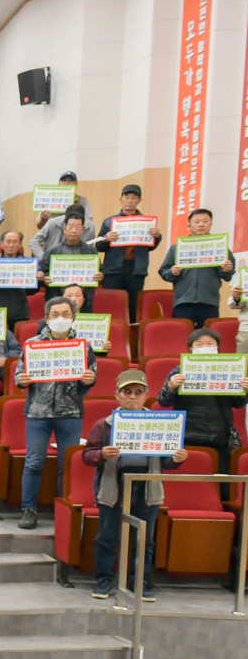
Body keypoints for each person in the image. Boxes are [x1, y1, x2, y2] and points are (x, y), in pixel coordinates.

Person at [84, 371, 186, 601]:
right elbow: (87, 455)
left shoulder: (161, 424)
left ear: (146, 395)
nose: (132, 396)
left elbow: (167, 461)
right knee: (107, 537)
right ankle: (104, 581)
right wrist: (101, 454)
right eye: (127, 391)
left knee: (144, 540)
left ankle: (140, 583)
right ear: (117, 395)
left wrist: (177, 459)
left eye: (138, 392)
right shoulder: (104, 425)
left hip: (147, 488)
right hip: (113, 487)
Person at [14, 296, 98, 528]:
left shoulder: (83, 346)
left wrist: (89, 380)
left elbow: (89, 379)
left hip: (70, 413)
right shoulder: (32, 344)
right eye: (55, 314)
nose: (60, 318)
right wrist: (22, 380)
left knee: (67, 464)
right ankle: (28, 510)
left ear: (74, 317)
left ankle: (64, 510)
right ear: (46, 318)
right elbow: (18, 375)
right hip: (38, 413)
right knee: (34, 462)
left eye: (65, 314)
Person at [156, 327, 247, 481]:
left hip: (220, 436)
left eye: (210, 344)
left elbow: (237, 403)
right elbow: (163, 402)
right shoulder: (179, 371)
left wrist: (244, 391)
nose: (205, 347)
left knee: (220, 482)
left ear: (217, 348)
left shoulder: (229, 371)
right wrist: (171, 387)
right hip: (187, 436)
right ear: (190, 349)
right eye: (199, 344)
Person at [159, 207, 236, 329]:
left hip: (209, 302)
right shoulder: (177, 248)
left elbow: (228, 276)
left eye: (205, 221)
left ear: (211, 224)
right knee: (181, 335)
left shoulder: (220, 247)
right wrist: (172, 272)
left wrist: (226, 270)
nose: (201, 225)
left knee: (208, 336)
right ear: (189, 225)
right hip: (183, 302)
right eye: (197, 222)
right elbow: (163, 271)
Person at [96, 184, 162, 323]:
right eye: (127, 197)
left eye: (134, 198)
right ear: (121, 199)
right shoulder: (109, 222)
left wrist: (157, 236)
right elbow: (99, 246)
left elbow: (150, 246)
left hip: (136, 269)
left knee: (133, 306)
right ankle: (113, 331)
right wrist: (106, 239)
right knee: (112, 303)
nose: (130, 201)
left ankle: (131, 333)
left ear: (139, 200)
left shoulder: (147, 222)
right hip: (113, 270)